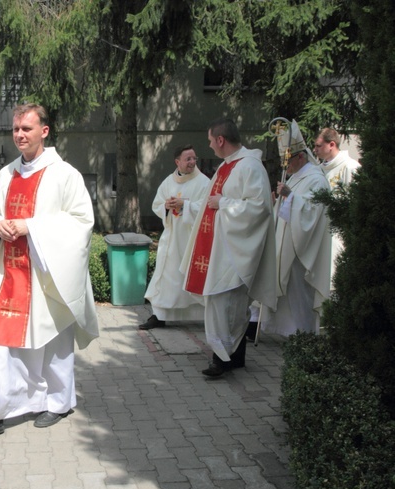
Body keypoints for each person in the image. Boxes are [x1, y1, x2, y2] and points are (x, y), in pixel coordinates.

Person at [0, 103, 99, 443]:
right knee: (0, 343)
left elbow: (82, 221)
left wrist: (30, 227)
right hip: (9, 270)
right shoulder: (6, 174)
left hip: (46, 273)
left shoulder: (64, 174)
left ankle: (59, 402)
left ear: (44, 131)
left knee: (53, 342)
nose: (20, 135)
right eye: (16, 129)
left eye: (27, 129)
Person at [181, 118, 276, 378]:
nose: (210, 146)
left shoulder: (250, 167)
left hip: (234, 252)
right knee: (222, 304)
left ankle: (223, 358)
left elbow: (259, 208)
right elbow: (208, 204)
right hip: (219, 251)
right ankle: (231, 356)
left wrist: (223, 203)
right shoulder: (227, 166)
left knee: (228, 305)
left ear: (221, 140)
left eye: (211, 141)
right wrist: (190, 207)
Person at [262, 120, 331, 336]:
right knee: (289, 291)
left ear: (300, 156)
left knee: (300, 293)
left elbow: (312, 213)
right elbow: (288, 210)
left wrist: (290, 197)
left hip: (303, 250)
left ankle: (305, 334)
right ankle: (288, 332)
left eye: (288, 160)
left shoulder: (316, 179)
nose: (286, 166)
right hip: (288, 244)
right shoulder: (297, 177)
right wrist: (278, 202)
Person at [141, 145, 210, 330]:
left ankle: (203, 316)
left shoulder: (204, 182)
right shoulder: (168, 182)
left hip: (191, 238)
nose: (192, 162)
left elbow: (207, 208)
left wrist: (185, 205)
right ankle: (160, 316)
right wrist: (167, 206)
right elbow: (157, 204)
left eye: (194, 158)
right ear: (177, 162)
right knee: (166, 274)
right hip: (172, 237)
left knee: (188, 275)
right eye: (188, 159)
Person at [313, 127, 360, 284]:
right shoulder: (318, 170)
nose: (315, 150)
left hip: (339, 234)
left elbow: (355, 204)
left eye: (318, 146)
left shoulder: (350, 167)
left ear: (331, 144)